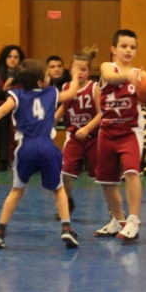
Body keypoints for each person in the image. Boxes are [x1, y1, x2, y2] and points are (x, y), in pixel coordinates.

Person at [0, 59, 80, 249]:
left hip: (25, 148)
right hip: (47, 147)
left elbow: (1, 110)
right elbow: (71, 93)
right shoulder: (51, 92)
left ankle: (0, 231)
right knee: (59, 188)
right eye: (47, 75)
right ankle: (66, 228)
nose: (50, 77)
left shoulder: (17, 94)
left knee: (16, 190)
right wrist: (76, 76)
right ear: (40, 82)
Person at [93, 29, 146, 242]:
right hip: (107, 130)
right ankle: (118, 219)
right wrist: (130, 76)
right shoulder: (108, 67)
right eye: (124, 46)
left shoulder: (140, 75)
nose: (128, 50)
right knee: (106, 180)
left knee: (131, 171)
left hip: (130, 130)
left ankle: (133, 220)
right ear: (113, 49)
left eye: (132, 47)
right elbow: (110, 78)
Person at [56, 48, 101, 215]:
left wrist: (87, 128)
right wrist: (50, 123)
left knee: (103, 177)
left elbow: (102, 113)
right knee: (64, 171)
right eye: (77, 69)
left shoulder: (94, 87)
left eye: (84, 69)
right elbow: (63, 107)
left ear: (89, 72)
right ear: (70, 69)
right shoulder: (67, 87)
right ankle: (68, 201)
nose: (80, 72)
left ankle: (114, 210)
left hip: (94, 137)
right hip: (74, 137)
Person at [0, 45, 25, 171]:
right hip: (3, 107)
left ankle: (23, 159)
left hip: (21, 107)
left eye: (16, 57)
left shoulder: (25, 73)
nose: (12, 59)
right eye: (9, 57)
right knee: (1, 120)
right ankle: (3, 160)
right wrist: (4, 90)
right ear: (5, 58)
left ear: (20, 59)